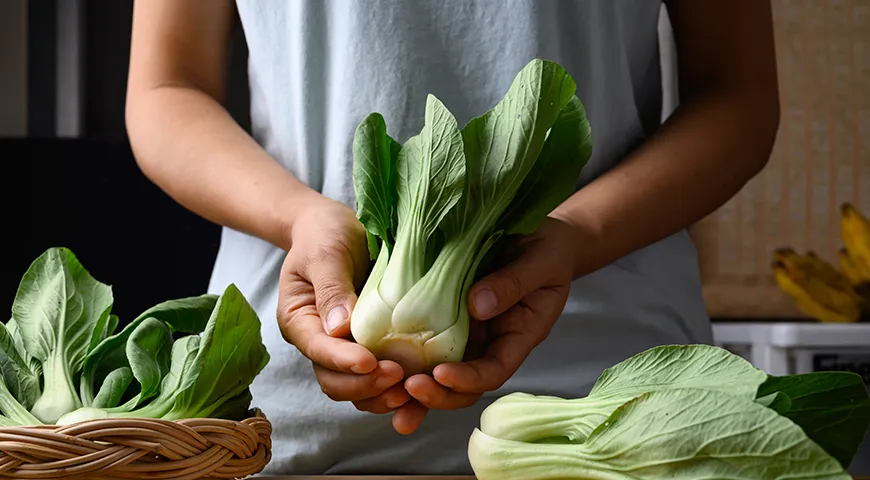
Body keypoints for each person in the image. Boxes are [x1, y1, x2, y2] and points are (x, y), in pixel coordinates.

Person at [125, 0, 780, 475]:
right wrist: (300, 217)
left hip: (615, 413)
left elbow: (737, 93)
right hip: (282, 419)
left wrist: (578, 236)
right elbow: (165, 88)